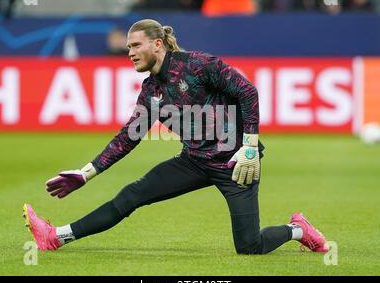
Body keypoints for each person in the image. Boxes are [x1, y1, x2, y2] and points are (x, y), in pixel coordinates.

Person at [23, 19, 329, 255]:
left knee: (249, 246)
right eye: (128, 47)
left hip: (236, 162)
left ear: (157, 44)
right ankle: (56, 237)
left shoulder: (198, 64)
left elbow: (247, 92)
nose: (129, 53)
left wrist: (249, 146)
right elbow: (128, 137)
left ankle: (298, 229)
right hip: (194, 161)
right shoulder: (151, 90)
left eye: (134, 46)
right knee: (132, 195)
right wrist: (86, 173)